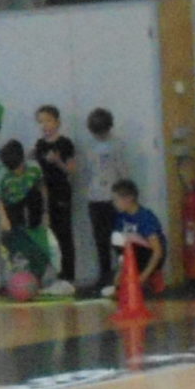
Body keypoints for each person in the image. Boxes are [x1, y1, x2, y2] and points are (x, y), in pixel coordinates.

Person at [0, 138, 66, 296]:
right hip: (10, 204)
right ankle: (16, 277)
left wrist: (45, 213)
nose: (17, 172)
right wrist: (4, 218)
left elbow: (42, 188)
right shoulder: (3, 175)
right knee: (13, 238)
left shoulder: (33, 168)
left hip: (29, 200)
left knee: (37, 239)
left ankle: (39, 278)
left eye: (18, 168)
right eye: (13, 170)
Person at [79, 107, 129, 290]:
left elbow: (123, 171)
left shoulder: (117, 145)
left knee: (118, 240)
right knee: (100, 240)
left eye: (102, 131)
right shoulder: (88, 146)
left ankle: (125, 274)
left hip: (113, 198)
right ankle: (105, 276)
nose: (99, 135)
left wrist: (125, 196)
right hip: (95, 198)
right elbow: (87, 171)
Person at [32, 104, 78, 288]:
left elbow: (72, 170)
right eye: (41, 121)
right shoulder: (40, 145)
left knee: (63, 233)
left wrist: (58, 161)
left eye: (48, 120)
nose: (45, 125)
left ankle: (68, 277)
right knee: (47, 235)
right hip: (44, 193)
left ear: (57, 122)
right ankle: (52, 275)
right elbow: (37, 171)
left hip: (61, 193)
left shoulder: (65, 143)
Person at [104, 179, 165, 296]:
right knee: (116, 237)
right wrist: (120, 273)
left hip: (150, 255)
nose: (114, 203)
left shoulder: (145, 217)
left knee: (130, 239)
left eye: (116, 200)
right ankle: (133, 275)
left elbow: (158, 251)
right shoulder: (121, 217)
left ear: (129, 198)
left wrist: (142, 278)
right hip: (133, 255)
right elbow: (121, 250)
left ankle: (153, 275)